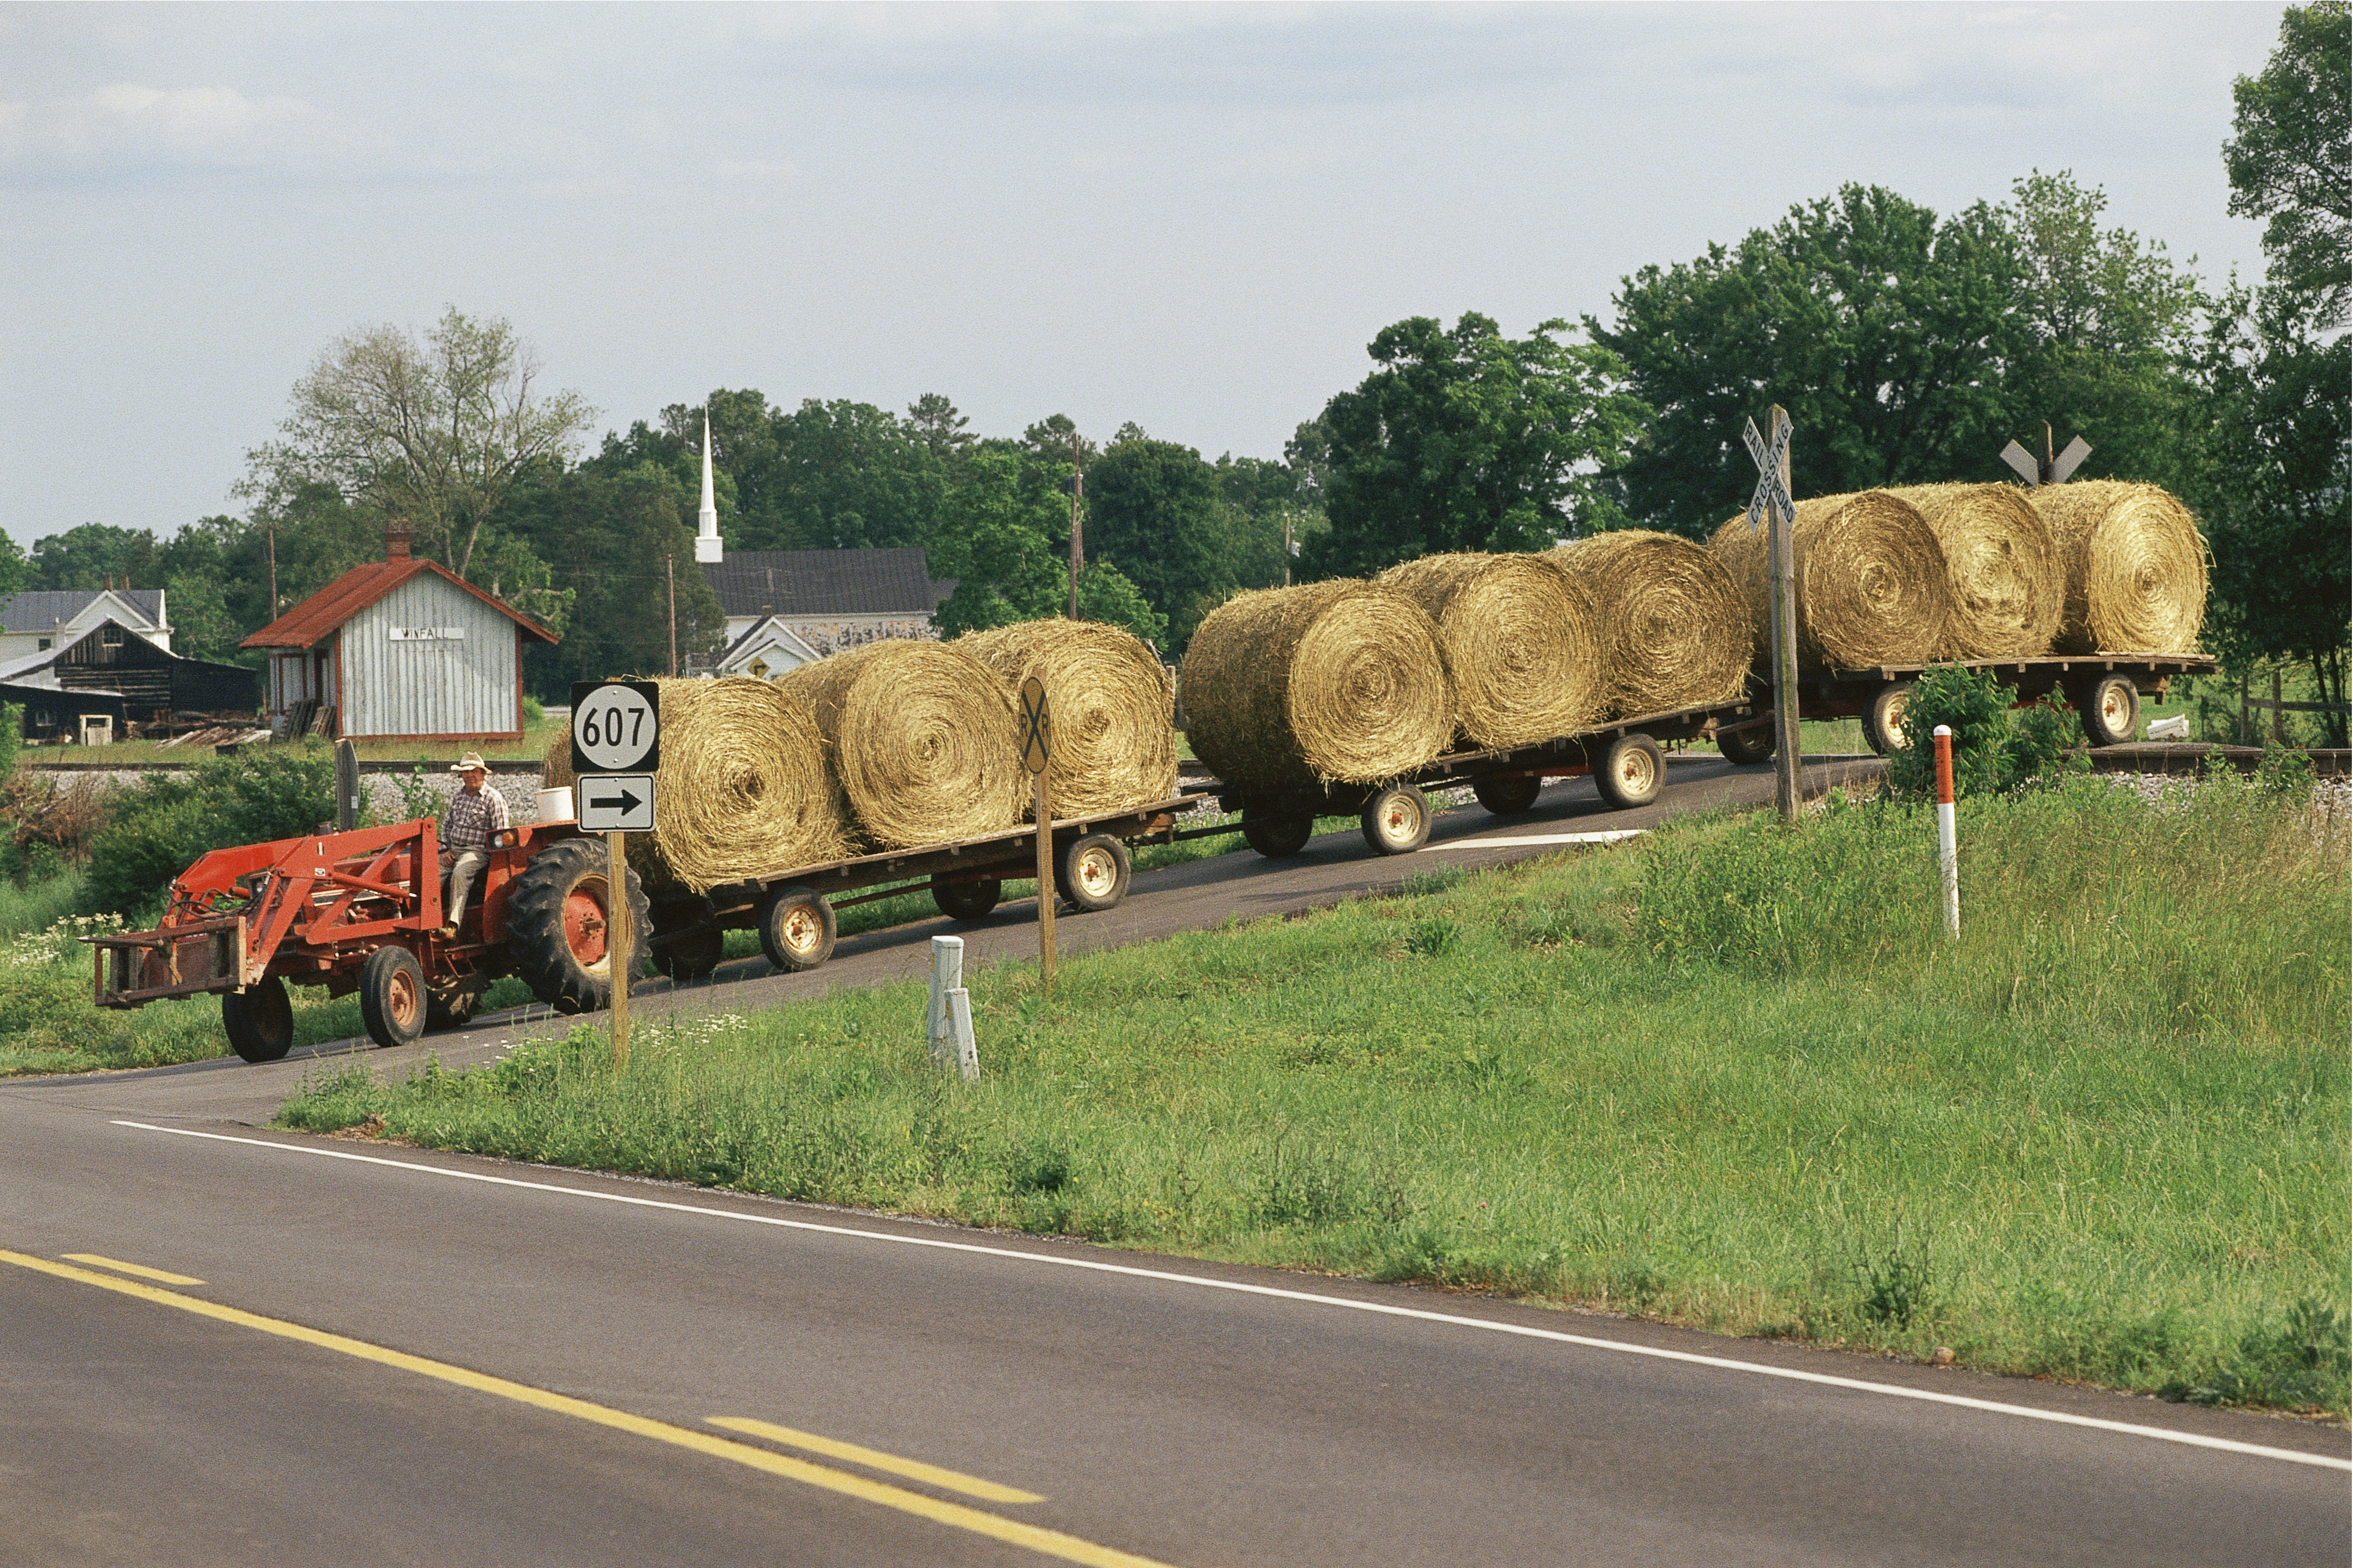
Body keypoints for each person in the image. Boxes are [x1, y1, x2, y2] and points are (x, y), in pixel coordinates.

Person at [438, 752, 510, 938]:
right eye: (465, 772)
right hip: (453, 850)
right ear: (461, 775)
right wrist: (445, 849)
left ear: (483, 774)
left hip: (476, 852)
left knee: (460, 874)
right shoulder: (459, 797)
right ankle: (429, 921)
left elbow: (501, 834)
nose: (470, 775)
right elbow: (447, 825)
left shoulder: (493, 799)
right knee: (430, 875)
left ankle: (453, 926)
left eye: (474, 771)